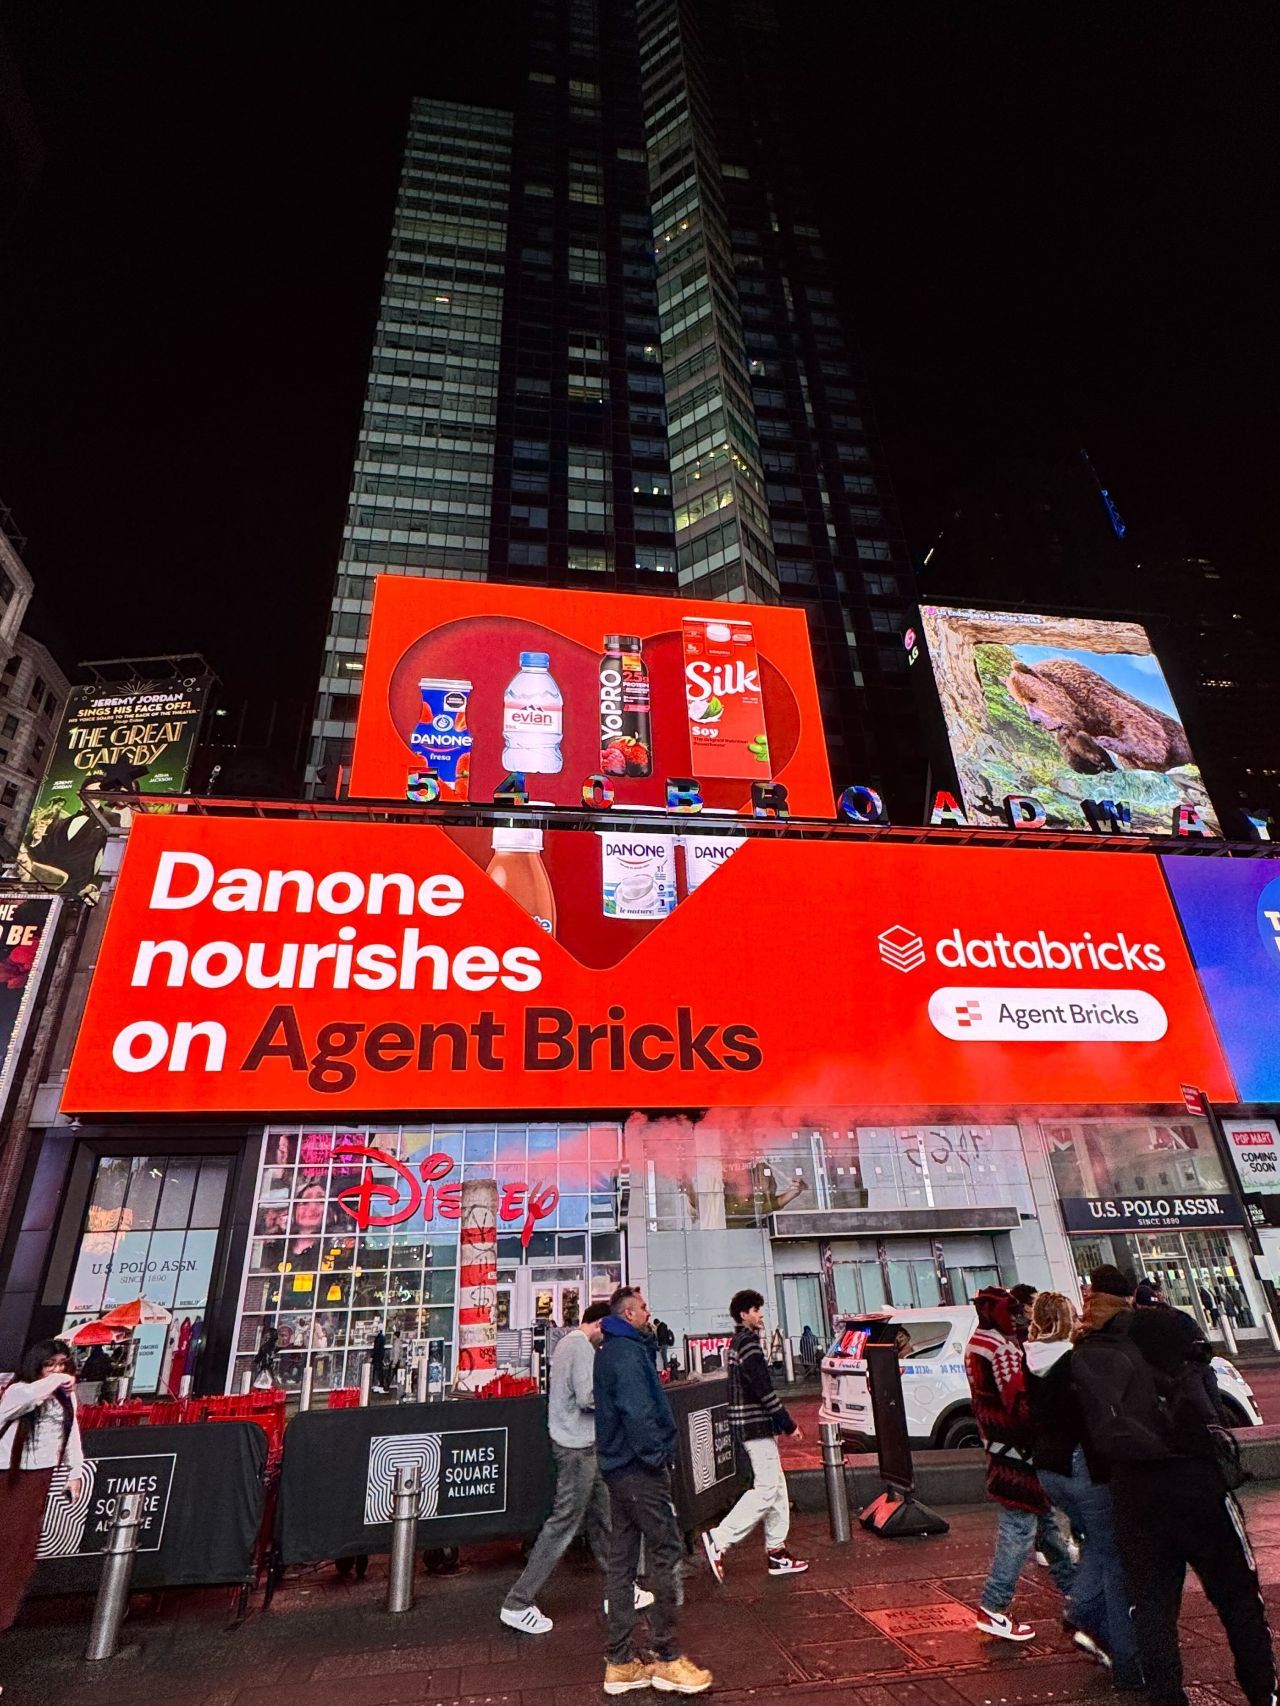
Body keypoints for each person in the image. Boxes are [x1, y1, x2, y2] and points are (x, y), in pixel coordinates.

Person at [1073, 1282, 1277, 1706]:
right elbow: (1208, 1406)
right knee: (1238, 1597)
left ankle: (1165, 1695)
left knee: (1152, 1608)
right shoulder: (1173, 1332)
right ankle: (1262, 1691)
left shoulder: (1102, 1352)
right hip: (1195, 1480)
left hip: (1133, 1490)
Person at [501, 1302, 653, 1635]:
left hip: (582, 1444)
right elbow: (588, 1398)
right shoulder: (580, 1346)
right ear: (600, 1324)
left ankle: (621, 1589)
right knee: (564, 1523)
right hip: (577, 1448)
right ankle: (517, 1602)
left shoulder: (567, 1344)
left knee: (606, 1518)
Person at [596, 1287, 711, 1696]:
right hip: (639, 1470)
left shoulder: (613, 1351)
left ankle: (620, 1662)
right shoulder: (627, 1354)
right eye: (643, 1307)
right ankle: (666, 1657)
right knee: (665, 1551)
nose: (649, 1312)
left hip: (619, 1469)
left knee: (623, 1561)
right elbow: (638, 1411)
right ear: (629, 1314)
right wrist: (657, 1454)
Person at [1024, 1291, 1142, 1688]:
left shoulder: (1030, 1357)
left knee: (1096, 1543)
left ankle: (1089, 1619)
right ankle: (1099, 1630)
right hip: (1081, 1464)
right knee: (1112, 1555)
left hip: (1049, 1467)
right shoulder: (1072, 1359)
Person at [965, 1286, 1075, 1642]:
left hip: (999, 1446)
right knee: (1021, 1527)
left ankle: (1076, 1592)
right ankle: (993, 1605)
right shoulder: (1001, 1348)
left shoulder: (978, 1342)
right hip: (1018, 1451)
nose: (1017, 1318)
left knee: (1044, 1523)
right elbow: (1018, 1403)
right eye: (1011, 1311)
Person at [700, 1289, 808, 1584]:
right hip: (755, 1425)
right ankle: (720, 1538)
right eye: (756, 1310)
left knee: (777, 1489)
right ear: (743, 1314)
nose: (760, 1315)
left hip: (749, 1424)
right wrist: (788, 1424)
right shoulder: (749, 1345)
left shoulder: (738, 1343)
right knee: (767, 1489)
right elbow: (763, 1389)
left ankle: (777, 1552)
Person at [0, 1339, 85, 1631]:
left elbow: (71, 1434)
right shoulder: (19, 1390)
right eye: (50, 1365)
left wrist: (75, 1471)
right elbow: (26, 1398)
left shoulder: (65, 1397)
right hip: (9, 1474)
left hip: (40, 1475)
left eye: (62, 1364)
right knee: (7, 1546)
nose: (57, 1370)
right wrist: (59, 1380)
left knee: (20, 1552)